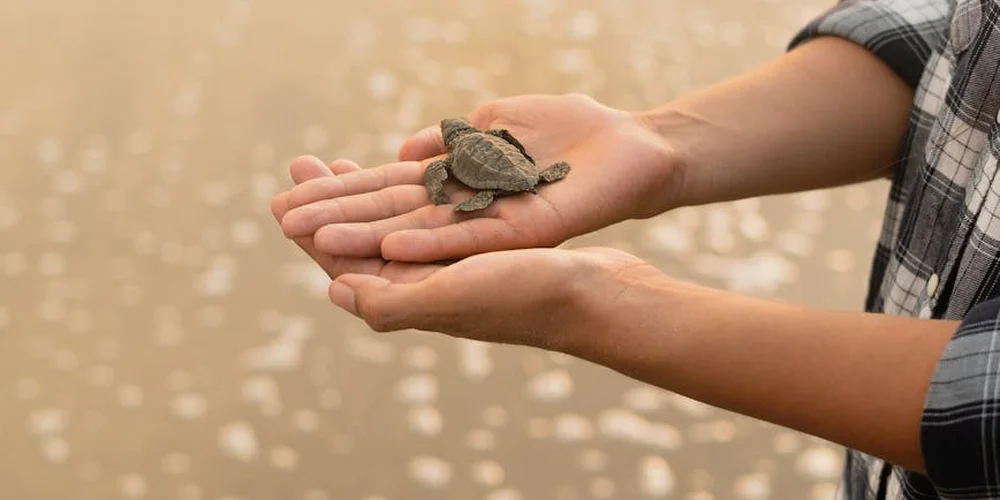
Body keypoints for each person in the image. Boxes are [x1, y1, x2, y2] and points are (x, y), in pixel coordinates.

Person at [269, 1, 1000, 498]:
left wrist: (600, 305)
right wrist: (660, 142)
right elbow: (952, 32)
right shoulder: (500, 152)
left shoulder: (457, 160)